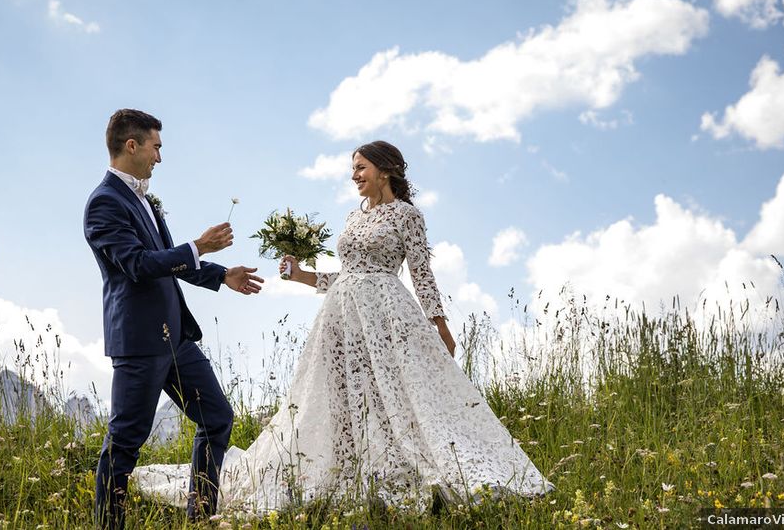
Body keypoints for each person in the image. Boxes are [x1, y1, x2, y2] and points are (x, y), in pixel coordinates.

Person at [211, 140, 553, 511]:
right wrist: (301, 276)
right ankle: (347, 465)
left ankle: (399, 463)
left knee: (393, 392)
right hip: (341, 316)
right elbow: (346, 274)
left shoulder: (407, 216)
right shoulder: (353, 218)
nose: (354, 175)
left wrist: (439, 324)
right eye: (353, 169)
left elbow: (422, 273)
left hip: (387, 313)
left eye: (361, 168)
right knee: (339, 391)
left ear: (385, 170)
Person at [83, 108, 264, 529]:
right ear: (133, 145)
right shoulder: (104, 203)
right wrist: (198, 245)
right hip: (141, 341)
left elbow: (170, 263)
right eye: (156, 147)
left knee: (217, 418)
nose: (160, 157)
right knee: (125, 442)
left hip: (176, 337)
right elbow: (139, 264)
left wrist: (223, 275)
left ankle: (200, 518)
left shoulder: (144, 199)